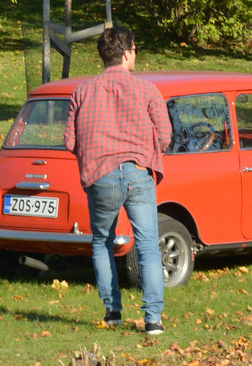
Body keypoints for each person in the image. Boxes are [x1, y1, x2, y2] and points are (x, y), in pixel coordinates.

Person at [64, 26, 171, 335]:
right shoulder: (148, 90)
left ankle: (113, 312)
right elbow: (164, 136)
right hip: (138, 172)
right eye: (135, 49)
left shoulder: (82, 92)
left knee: (101, 242)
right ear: (126, 54)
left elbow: (69, 140)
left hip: (101, 175)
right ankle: (153, 319)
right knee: (148, 246)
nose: (135, 54)